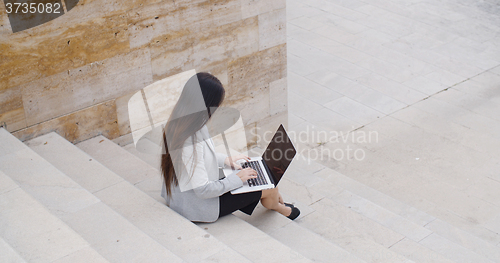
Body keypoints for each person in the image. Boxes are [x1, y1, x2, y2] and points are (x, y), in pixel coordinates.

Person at [160, 72, 300, 223]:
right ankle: (279, 207)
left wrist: (226, 160)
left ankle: (274, 199)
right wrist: (236, 180)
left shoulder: (183, 121)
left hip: (182, 193)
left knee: (262, 177)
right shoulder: (190, 140)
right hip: (197, 205)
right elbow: (203, 190)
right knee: (268, 185)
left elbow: (199, 159)